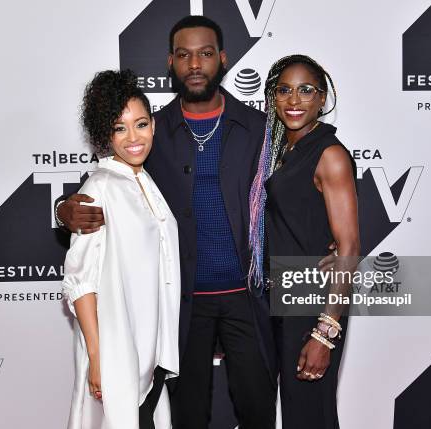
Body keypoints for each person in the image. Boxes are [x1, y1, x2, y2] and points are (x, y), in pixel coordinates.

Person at [57, 16, 277, 429]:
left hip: (245, 298)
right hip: (180, 307)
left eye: (205, 53)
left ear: (223, 59)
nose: (195, 64)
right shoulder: (152, 135)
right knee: (184, 415)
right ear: (170, 63)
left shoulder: (258, 128)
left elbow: (288, 195)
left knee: (258, 409)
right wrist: (62, 209)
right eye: (184, 55)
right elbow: (106, 183)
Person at [61, 70, 180, 429]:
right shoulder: (99, 186)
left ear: (153, 126)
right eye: (120, 128)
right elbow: (81, 283)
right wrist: (98, 357)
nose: (133, 138)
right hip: (119, 351)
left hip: (152, 349)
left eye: (140, 124)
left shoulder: (144, 179)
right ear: (105, 134)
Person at [248, 55, 360, 428]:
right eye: (284, 90)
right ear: (272, 98)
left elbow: (348, 248)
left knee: (310, 416)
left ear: (322, 97)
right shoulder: (281, 151)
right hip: (283, 297)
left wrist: (324, 334)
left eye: (305, 90)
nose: (294, 100)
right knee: (298, 414)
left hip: (312, 304)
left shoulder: (330, 155)